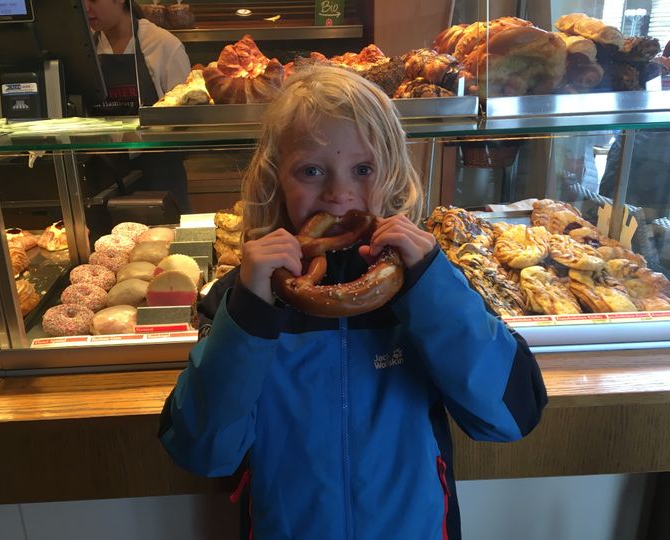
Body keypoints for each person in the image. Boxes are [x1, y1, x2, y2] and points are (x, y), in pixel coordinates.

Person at [159, 65, 547, 539]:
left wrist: (431, 283)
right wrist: (249, 313)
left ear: (391, 177)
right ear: (274, 180)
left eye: (362, 170)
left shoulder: (427, 290)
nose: (339, 194)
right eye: (311, 170)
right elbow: (203, 450)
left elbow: (509, 416)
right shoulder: (241, 301)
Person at [83, 0, 192, 213]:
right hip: (106, 178)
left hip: (160, 177)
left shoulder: (164, 45)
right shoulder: (86, 46)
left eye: (93, 0)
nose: (86, 8)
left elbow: (185, 121)